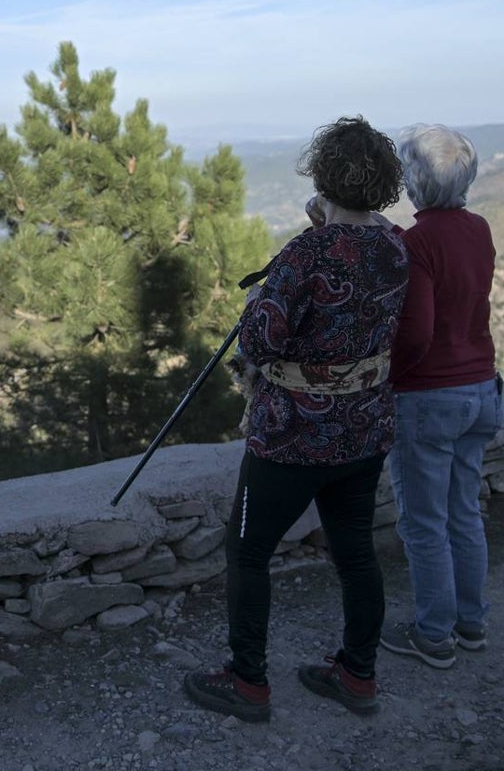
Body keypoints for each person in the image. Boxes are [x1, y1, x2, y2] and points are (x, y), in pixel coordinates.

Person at [184, 116, 409, 721]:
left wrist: (259, 297)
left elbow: (258, 344)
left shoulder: (305, 251)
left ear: (323, 176)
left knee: (248, 550)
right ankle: (357, 675)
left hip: (292, 435)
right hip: (365, 429)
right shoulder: (393, 246)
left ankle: (248, 682)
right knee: (356, 552)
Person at [379, 124, 500, 668]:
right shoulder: (480, 229)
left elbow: (419, 331)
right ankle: (471, 624)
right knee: (464, 513)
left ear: (415, 181)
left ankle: (433, 635)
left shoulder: (418, 242)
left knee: (425, 522)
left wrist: (392, 378)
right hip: (481, 388)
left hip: (430, 395)